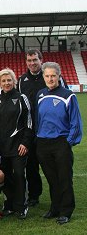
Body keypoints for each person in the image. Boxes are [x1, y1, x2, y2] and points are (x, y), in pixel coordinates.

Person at [17, 49, 67, 207]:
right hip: (30, 130)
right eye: (29, 60)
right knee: (31, 166)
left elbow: (64, 100)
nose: (32, 63)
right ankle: (34, 196)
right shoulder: (22, 80)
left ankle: (60, 199)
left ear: (41, 60)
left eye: (35, 60)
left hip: (50, 131)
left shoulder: (50, 77)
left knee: (53, 167)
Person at [36, 62, 82, 225]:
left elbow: (75, 122)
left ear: (59, 77)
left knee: (64, 178)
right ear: (43, 77)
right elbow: (38, 119)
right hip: (43, 144)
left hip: (61, 143)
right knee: (52, 179)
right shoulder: (40, 95)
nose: (50, 79)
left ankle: (66, 211)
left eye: (53, 76)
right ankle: (55, 208)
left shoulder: (68, 95)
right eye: (47, 76)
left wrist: (68, 142)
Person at [0, 68, 33, 219]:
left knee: (19, 175)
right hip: (1, 148)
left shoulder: (21, 98)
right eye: (3, 81)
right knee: (5, 177)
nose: (6, 83)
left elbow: (29, 123)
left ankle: (22, 206)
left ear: (14, 82)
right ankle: (9, 204)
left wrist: (25, 143)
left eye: (9, 80)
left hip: (18, 147)